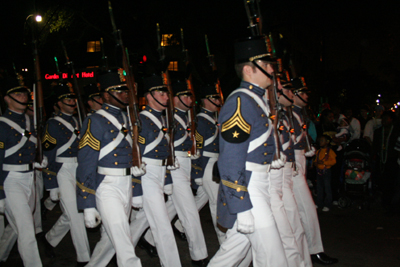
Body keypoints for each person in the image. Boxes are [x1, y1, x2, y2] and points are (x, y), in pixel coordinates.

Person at [208, 35, 287, 267]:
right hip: (249, 188)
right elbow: (230, 161)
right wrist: (241, 207)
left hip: (260, 184)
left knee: (231, 255)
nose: (272, 69)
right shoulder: (240, 102)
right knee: (274, 258)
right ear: (248, 69)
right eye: (266, 64)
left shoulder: (256, 100)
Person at [76, 68, 144, 266]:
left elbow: (134, 156)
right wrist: (87, 204)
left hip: (126, 185)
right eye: (119, 90)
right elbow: (85, 165)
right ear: (106, 95)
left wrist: (136, 187)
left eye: (126, 90)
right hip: (106, 186)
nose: (125, 94)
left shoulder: (130, 119)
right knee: (124, 241)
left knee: (110, 240)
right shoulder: (94, 121)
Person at [129, 74, 182, 267]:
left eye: (166, 93)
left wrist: (167, 180)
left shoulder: (163, 119)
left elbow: (163, 154)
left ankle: (109, 252)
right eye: (161, 93)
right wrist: (136, 190)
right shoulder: (141, 122)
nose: (166, 97)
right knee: (162, 226)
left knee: (139, 225)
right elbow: (134, 160)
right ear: (149, 96)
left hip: (158, 174)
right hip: (146, 175)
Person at [41, 82, 91, 265]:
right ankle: (84, 258)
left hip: (78, 168)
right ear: (59, 103)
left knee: (73, 211)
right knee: (76, 214)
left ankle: (50, 238)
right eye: (67, 99)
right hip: (62, 170)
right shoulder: (53, 124)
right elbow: (48, 157)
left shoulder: (78, 120)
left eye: (73, 98)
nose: (72, 102)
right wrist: (51, 184)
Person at [291, 77, 338, 265]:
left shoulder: (299, 113)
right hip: (291, 165)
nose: (305, 96)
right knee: (306, 209)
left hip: (299, 163)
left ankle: (309, 250)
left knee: (301, 211)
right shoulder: (289, 113)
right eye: (301, 93)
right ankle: (312, 250)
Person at [0, 76, 46, 266]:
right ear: (7, 98)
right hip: (9, 180)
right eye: (18, 93)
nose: (23, 96)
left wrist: (37, 161)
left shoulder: (30, 120)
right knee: (27, 229)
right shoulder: (2, 124)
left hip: (29, 177)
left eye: (25, 92)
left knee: (19, 224)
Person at [314, 134, 336, 212]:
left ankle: (328, 204)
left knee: (327, 188)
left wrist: (324, 162)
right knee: (319, 188)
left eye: (322, 140)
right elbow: (315, 160)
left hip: (326, 171)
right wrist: (316, 163)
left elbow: (333, 161)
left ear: (327, 142)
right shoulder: (318, 151)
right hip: (319, 171)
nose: (320, 142)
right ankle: (319, 203)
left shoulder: (330, 151)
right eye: (320, 140)